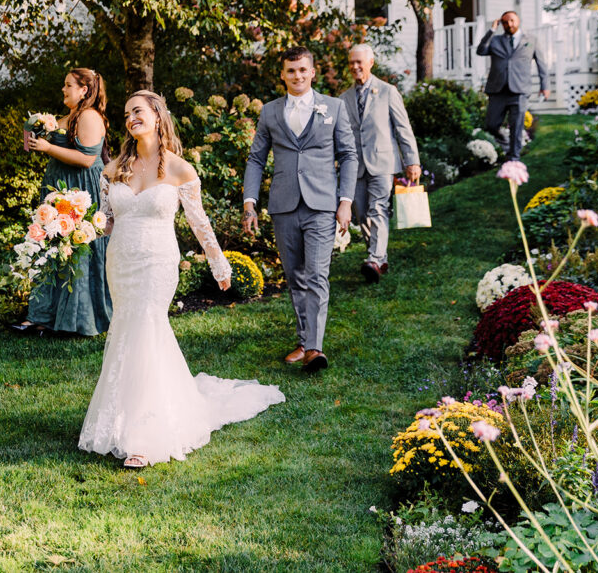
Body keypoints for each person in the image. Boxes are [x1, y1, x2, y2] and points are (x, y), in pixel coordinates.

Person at [78, 90, 284, 468]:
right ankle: (120, 420)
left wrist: (220, 265)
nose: (131, 118)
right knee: (126, 331)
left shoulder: (180, 169)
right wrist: (73, 226)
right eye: (126, 114)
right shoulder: (114, 169)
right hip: (120, 261)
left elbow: (198, 222)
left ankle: (145, 436)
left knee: (147, 326)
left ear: (157, 116)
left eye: (138, 111)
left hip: (157, 261)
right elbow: (107, 222)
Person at [242, 47, 357, 372]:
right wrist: (250, 202)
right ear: (283, 74)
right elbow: (256, 159)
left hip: (322, 205)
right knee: (295, 277)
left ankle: (315, 349)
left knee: (317, 275)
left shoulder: (333, 107)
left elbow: (349, 155)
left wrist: (345, 201)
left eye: (303, 70)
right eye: (291, 71)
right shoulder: (270, 112)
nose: (297, 76)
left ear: (312, 72)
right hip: (284, 205)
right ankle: (305, 340)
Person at [11, 68, 113, 336]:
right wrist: (33, 128)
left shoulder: (89, 116)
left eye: (68, 85)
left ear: (84, 90)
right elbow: (32, 146)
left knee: (75, 247)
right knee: (52, 248)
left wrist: (49, 147)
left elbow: (87, 159)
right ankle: (44, 316)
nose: (63, 90)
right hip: (59, 188)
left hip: (81, 189)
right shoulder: (66, 117)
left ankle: (78, 319)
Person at [339, 44, 421, 283]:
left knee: (378, 208)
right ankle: (378, 258)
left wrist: (412, 161)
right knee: (362, 213)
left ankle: (374, 258)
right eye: (351, 62)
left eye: (359, 62)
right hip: (355, 165)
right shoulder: (343, 99)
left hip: (383, 162)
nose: (355, 66)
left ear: (371, 63)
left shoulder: (387, 92)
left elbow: (403, 128)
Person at [476, 11, 550, 162]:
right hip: (498, 90)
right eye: (504, 22)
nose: (509, 24)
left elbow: (541, 64)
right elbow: (481, 50)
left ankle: (514, 159)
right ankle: (508, 145)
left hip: (520, 89)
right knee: (491, 125)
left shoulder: (531, 40)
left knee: (516, 126)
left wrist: (545, 86)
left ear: (518, 20)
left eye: (512, 21)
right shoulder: (495, 40)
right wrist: (492, 30)